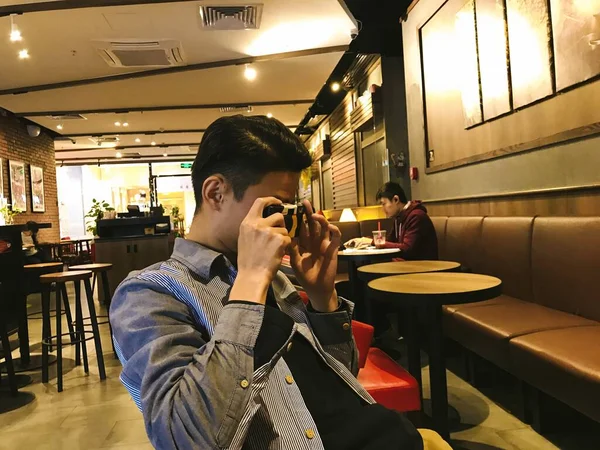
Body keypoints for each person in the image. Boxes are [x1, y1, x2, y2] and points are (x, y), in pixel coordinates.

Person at [110, 116, 451, 450]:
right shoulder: (150, 292)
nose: (284, 222)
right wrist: (251, 284)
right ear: (215, 193)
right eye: (273, 207)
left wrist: (322, 298)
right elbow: (183, 438)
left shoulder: (274, 276)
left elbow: (344, 379)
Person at [346, 182, 438, 261]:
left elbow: (407, 249)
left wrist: (373, 242)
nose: (382, 209)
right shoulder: (399, 217)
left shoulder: (416, 216)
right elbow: (390, 240)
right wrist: (364, 240)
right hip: (406, 265)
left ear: (396, 199)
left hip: (422, 268)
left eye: (383, 204)